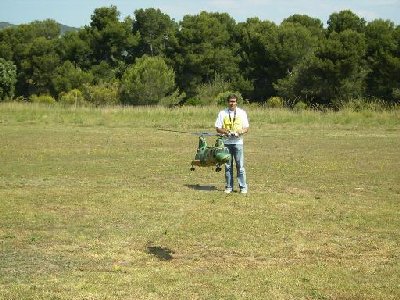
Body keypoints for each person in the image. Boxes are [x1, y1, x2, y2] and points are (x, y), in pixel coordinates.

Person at [215, 94, 249, 194]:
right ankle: (229, 187)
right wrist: (225, 132)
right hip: (226, 143)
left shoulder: (242, 113)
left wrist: (240, 132)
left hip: (238, 143)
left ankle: (243, 187)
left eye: (234, 101)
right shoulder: (222, 113)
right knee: (228, 166)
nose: (232, 103)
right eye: (230, 101)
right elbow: (217, 128)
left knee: (240, 165)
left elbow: (246, 128)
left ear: (236, 102)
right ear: (227, 102)